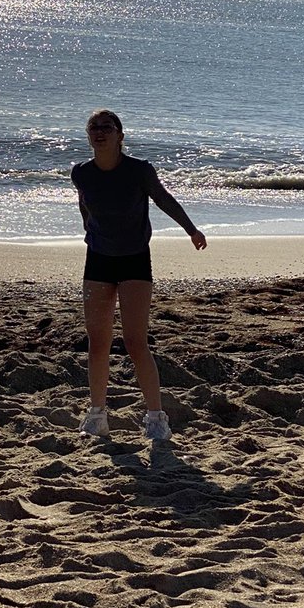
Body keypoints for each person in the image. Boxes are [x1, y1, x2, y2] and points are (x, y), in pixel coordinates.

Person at [71, 108, 206, 442]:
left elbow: (162, 199)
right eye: (93, 127)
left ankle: (156, 417)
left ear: (120, 134)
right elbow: (84, 204)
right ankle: (97, 415)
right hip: (98, 259)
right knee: (98, 342)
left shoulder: (139, 170)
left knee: (135, 342)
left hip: (134, 259)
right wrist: (89, 230)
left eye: (106, 127)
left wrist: (191, 229)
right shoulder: (81, 173)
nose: (99, 132)